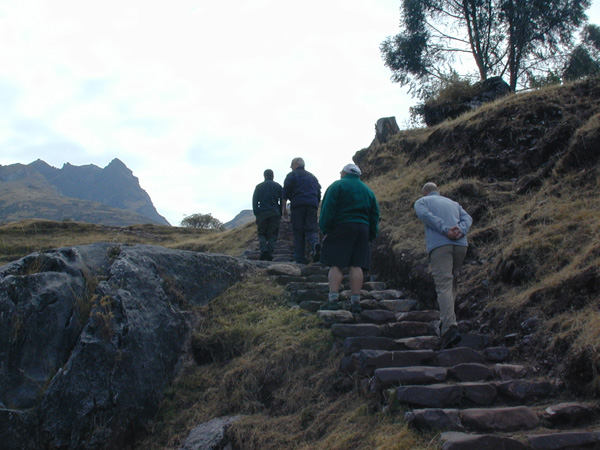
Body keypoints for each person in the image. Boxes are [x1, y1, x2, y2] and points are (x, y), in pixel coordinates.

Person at [414, 182, 473, 350]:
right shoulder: (453, 203)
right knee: (453, 282)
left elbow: (427, 216)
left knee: (444, 285)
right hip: (461, 245)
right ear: (437, 191)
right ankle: (446, 321)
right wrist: (460, 230)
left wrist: (445, 229)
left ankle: (449, 328)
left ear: (425, 192)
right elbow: (468, 218)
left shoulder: (422, 202)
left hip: (441, 245)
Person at [318, 163, 379, 313]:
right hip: (362, 229)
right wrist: (371, 234)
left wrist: (325, 229)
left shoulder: (337, 186)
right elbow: (374, 215)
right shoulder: (368, 191)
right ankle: (356, 301)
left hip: (341, 227)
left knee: (336, 264)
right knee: (357, 265)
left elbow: (328, 209)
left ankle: (333, 299)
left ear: (344, 173)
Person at [282, 157, 321, 264]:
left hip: (298, 205)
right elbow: (318, 192)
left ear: (296, 164)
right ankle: (315, 245)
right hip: (312, 205)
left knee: (298, 231)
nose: (291, 167)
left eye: (291, 164)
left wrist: (284, 208)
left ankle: (299, 258)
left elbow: (285, 191)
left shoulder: (292, 175)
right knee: (311, 230)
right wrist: (315, 204)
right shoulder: (312, 177)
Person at [252, 169, 283, 261]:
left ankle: (264, 249)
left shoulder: (259, 187)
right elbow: (282, 200)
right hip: (274, 212)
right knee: (272, 234)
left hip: (262, 213)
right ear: (273, 176)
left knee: (261, 233)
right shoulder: (278, 186)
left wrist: (256, 212)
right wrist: (280, 212)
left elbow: (255, 201)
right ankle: (270, 253)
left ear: (264, 176)